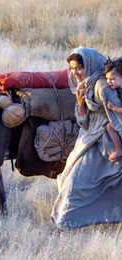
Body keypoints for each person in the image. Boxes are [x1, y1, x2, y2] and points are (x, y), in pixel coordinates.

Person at [51, 47, 122, 230]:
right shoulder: (84, 85)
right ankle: (65, 223)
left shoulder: (101, 86)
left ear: (88, 66)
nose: (75, 73)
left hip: (105, 140)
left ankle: (65, 224)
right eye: (72, 68)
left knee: (77, 184)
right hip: (88, 136)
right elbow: (83, 121)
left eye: (79, 68)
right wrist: (81, 104)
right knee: (69, 179)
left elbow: (116, 117)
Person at [103, 58, 122, 161]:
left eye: (112, 79)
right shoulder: (117, 90)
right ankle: (119, 149)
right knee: (110, 126)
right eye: (107, 79)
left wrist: (114, 108)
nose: (108, 82)